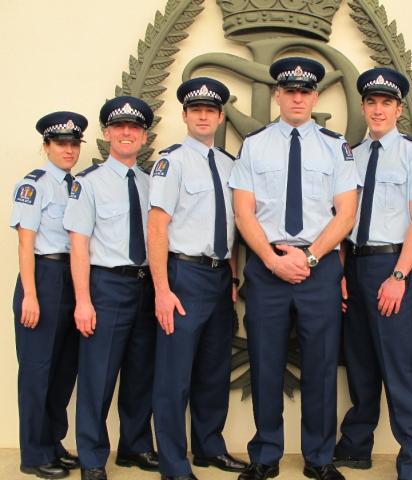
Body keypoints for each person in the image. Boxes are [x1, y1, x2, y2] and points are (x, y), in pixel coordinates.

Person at [229, 57, 358, 480]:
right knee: (266, 361)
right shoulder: (256, 143)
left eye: (305, 91)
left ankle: (319, 459)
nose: (298, 97)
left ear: (315, 97)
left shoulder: (334, 146)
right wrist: (271, 259)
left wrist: (312, 257)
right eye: (290, 91)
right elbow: (244, 212)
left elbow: (346, 213)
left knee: (320, 365)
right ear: (279, 96)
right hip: (268, 268)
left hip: (318, 268)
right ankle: (265, 456)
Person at [333, 67, 412, 479]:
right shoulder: (351, 155)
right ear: (363, 106)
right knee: (359, 362)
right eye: (371, 102)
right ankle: (357, 445)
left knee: (400, 365)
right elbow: (342, 217)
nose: (378, 110)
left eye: (386, 103)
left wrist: (399, 275)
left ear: (398, 109)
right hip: (354, 264)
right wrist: (341, 271)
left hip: (392, 265)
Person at [148, 77, 247, 480]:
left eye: (210, 110)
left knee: (212, 370)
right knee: (174, 376)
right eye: (195, 110)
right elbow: (157, 228)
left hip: (219, 277)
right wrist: (161, 290)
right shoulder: (171, 162)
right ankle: (174, 462)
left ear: (221, 116)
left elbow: (235, 227)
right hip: (182, 274)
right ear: (185, 116)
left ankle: (209, 447)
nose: (203, 116)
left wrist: (234, 277)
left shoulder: (229, 165)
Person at [63, 96, 159, 480]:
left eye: (134, 128)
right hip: (106, 286)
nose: (126, 133)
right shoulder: (88, 184)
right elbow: (79, 245)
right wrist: (83, 301)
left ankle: (134, 447)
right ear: (106, 134)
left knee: (141, 373)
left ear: (144, 136)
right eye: (119, 127)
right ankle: (91, 457)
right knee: (98, 376)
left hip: (146, 287)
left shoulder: (154, 184)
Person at [11, 111, 87, 479]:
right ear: (46, 146)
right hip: (43, 276)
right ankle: (34, 453)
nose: (69, 150)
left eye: (74, 144)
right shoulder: (34, 185)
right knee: (38, 371)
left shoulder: (77, 185)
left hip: (74, 278)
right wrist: (30, 294)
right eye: (61, 144)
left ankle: (53, 442)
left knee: (63, 370)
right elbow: (26, 244)